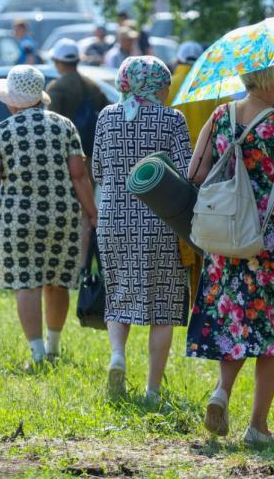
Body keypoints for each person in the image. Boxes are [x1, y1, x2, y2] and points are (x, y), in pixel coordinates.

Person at [186, 62, 274, 444]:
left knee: (238, 318)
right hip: (269, 238)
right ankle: (257, 426)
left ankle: (221, 392)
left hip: (227, 235)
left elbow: (196, 173)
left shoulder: (220, 115)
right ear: (269, 76)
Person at [0, 65, 98, 367]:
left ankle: (37, 354)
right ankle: (53, 347)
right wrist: (92, 214)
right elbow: (79, 175)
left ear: (12, 100)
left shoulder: (1, 131)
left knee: (26, 283)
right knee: (57, 281)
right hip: (61, 215)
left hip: (19, 218)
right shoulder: (65, 126)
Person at [92, 56, 192, 405]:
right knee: (162, 306)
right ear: (156, 86)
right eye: (165, 85)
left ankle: (118, 355)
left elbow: (98, 170)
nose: (167, 91)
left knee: (118, 293)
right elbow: (186, 172)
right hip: (161, 220)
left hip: (113, 219)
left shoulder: (107, 117)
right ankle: (152, 391)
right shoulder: (172, 119)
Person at [165, 41, 226, 309]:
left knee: (181, 234)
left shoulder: (169, 85)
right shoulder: (216, 86)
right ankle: (203, 296)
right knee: (206, 235)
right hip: (210, 170)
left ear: (179, 60)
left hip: (175, 170)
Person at [45, 39, 110, 259]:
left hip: (65, 159)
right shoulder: (92, 86)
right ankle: (82, 263)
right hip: (89, 155)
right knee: (85, 210)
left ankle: (64, 259)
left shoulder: (56, 88)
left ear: (58, 61)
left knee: (63, 209)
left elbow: (52, 127)